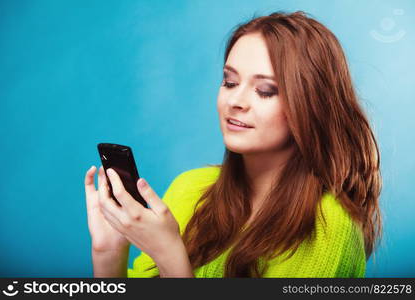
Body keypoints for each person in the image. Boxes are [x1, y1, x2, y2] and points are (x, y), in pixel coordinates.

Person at [84, 11, 382, 278]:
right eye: (229, 82)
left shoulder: (330, 228)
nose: (236, 102)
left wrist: (170, 257)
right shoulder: (190, 188)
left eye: (265, 91)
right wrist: (108, 251)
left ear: (311, 105)